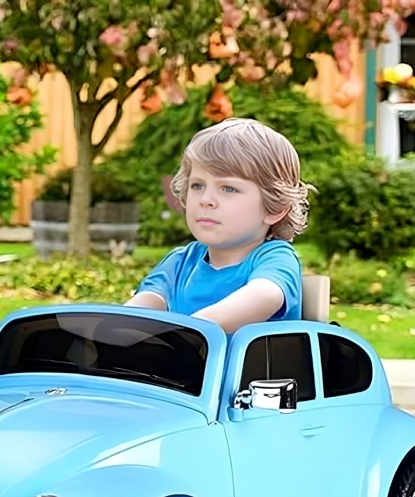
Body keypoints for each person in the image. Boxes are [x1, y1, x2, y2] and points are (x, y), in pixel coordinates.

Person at [125, 117, 310, 334]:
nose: (206, 199)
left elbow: (265, 295)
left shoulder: (274, 258)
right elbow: (140, 310)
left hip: (250, 369)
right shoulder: (180, 261)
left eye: (228, 189)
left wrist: (188, 332)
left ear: (274, 209)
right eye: (197, 185)